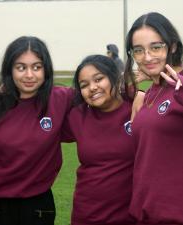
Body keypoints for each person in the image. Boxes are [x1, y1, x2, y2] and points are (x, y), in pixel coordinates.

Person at [0, 36, 73, 225]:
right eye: (21, 67)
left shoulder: (61, 99)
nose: (29, 75)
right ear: (10, 69)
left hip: (38, 205)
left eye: (37, 67)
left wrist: (139, 92)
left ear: (46, 69)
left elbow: (104, 91)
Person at [62, 55, 136, 225]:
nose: (92, 88)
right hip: (87, 215)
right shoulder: (77, 116)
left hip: (130, 215)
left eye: (99, 79)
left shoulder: (137, 109)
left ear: (113, 77)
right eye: (84, 85)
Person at [124, 12, 183, 224]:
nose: (147, 57)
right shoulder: (152, 91)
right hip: (145, 212)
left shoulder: (180, 86)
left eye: (156, 47)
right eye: (138, 50)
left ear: (173, 46)